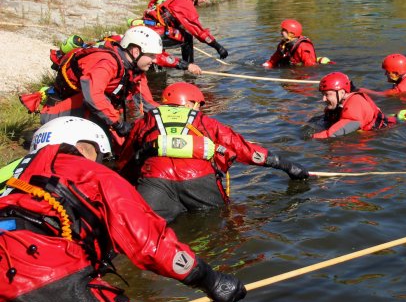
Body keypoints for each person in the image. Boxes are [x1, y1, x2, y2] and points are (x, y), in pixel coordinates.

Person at [0, 117, 246, 302]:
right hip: (41, 276)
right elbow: (148, 241)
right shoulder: (85, 170)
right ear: (86, 148)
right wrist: (209, 279)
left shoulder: (9, 174)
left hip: (15, 281)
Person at [116, 82, 310, 221]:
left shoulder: (145, 121)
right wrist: (287, 166)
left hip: (154, 182)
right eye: (200, 105)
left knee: (147, 229)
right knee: (216, 224)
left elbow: (126, 160)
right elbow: (244, 150)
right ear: (190, 104)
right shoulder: (205, 122)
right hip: (200, 181)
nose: (200, 109)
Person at [25, 26, 162, 143]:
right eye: (151, 55)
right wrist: (119, 124)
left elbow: (147, 102)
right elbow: (92, 96)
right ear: (136, 51)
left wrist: (170, 116)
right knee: (112, 134)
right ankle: (43, 132)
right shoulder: (106, 62)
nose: (155, 60)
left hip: (84, 106)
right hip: (58, 111)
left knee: (122, 131)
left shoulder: (135, 70)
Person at [133, 0, 228, 70]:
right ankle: (189, 67)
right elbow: (199, 32)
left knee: (182, 33)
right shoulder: (186, 4)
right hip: (154, 35)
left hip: (146, 30)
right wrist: (218, 47)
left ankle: (156, 69)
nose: (204, 0)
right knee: (187, 37)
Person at [312, 72, 406, 139]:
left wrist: (313, 138)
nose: (323, 99)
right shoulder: (337, 103)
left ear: (341, 92)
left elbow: (335, 132)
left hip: (386, 130)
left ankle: (401, 117)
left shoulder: (355, 103)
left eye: (327, 94)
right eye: (323, 95)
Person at [262, 19, 332, 68]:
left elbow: (310, 67)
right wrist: (266, 65)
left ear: (291, 34)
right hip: (292, 65)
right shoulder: (283, 44)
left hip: (301, 69)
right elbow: (274, 59)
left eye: (283, 30)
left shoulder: (304, 46)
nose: (281, 32)